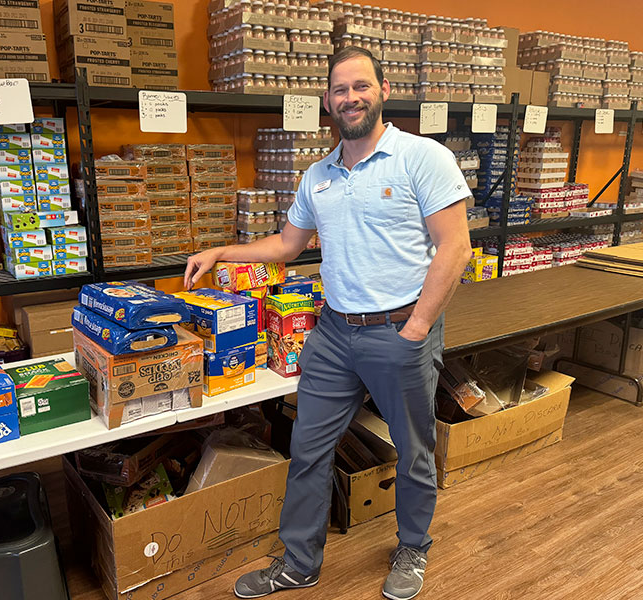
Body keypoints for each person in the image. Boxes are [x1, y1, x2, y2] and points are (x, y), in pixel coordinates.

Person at [183, 46, 473, 600]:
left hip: (398, 330)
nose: (351, 98)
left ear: (383, 90)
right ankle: (299, 562)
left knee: (412, 452)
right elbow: (287, 246)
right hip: (335, 333)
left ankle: (412, 547)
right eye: (340, 90)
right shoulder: (316, 176)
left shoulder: (422, 158)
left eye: (361, 86)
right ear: (327, 102)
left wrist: (416, 330)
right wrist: (222, 251)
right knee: (309, 449)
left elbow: (455, 249)